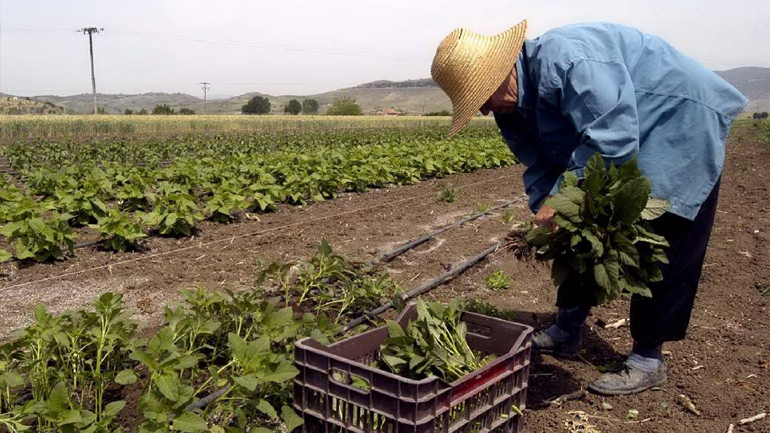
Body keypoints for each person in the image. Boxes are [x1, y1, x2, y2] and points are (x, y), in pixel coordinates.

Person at [430, 20, 747, 395]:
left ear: (502, 70)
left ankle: (648, 357)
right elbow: (538, 166)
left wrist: (562, 198)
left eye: (482, 97)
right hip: (624, 127)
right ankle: (568, 330)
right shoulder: (509, 108)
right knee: (576, 226)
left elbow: (613, 140)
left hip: (678, 117)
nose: (483, 110)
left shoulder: (567, 60)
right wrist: (549, 208)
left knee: (664, 232)